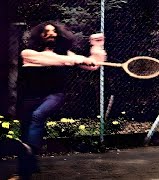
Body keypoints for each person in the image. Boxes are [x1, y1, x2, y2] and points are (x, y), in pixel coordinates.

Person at [13, 21, 106, 179]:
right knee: (25, 133)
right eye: (46, 32)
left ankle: (32, 152)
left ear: (59, 35)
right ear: (39, 36)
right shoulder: (28, 52)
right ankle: (25, 171)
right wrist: (76, 59)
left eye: (53, 31)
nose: (50, 34)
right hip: (29, 96)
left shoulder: (65, 53)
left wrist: (97, 47)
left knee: (38, 115)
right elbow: (49, 59)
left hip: (54, 95)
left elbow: (94, 65)